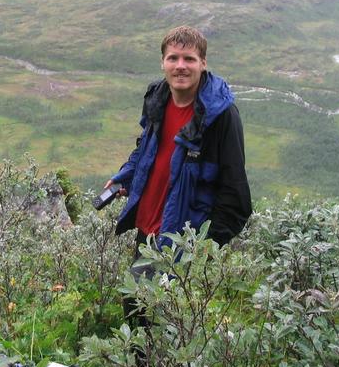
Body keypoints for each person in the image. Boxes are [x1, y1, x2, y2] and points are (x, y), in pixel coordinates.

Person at [105, 25, 252, 256]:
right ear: (163, 63)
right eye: (173, 58)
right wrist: (128, 176)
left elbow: (236, 198)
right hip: (146, 236)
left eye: (189, 59)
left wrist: (201, 250)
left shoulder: (221, 116)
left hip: (181, 246)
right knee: (133, 294)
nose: (180, 66)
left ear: (203, 63)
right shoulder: (157, 97)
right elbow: (147, 150)